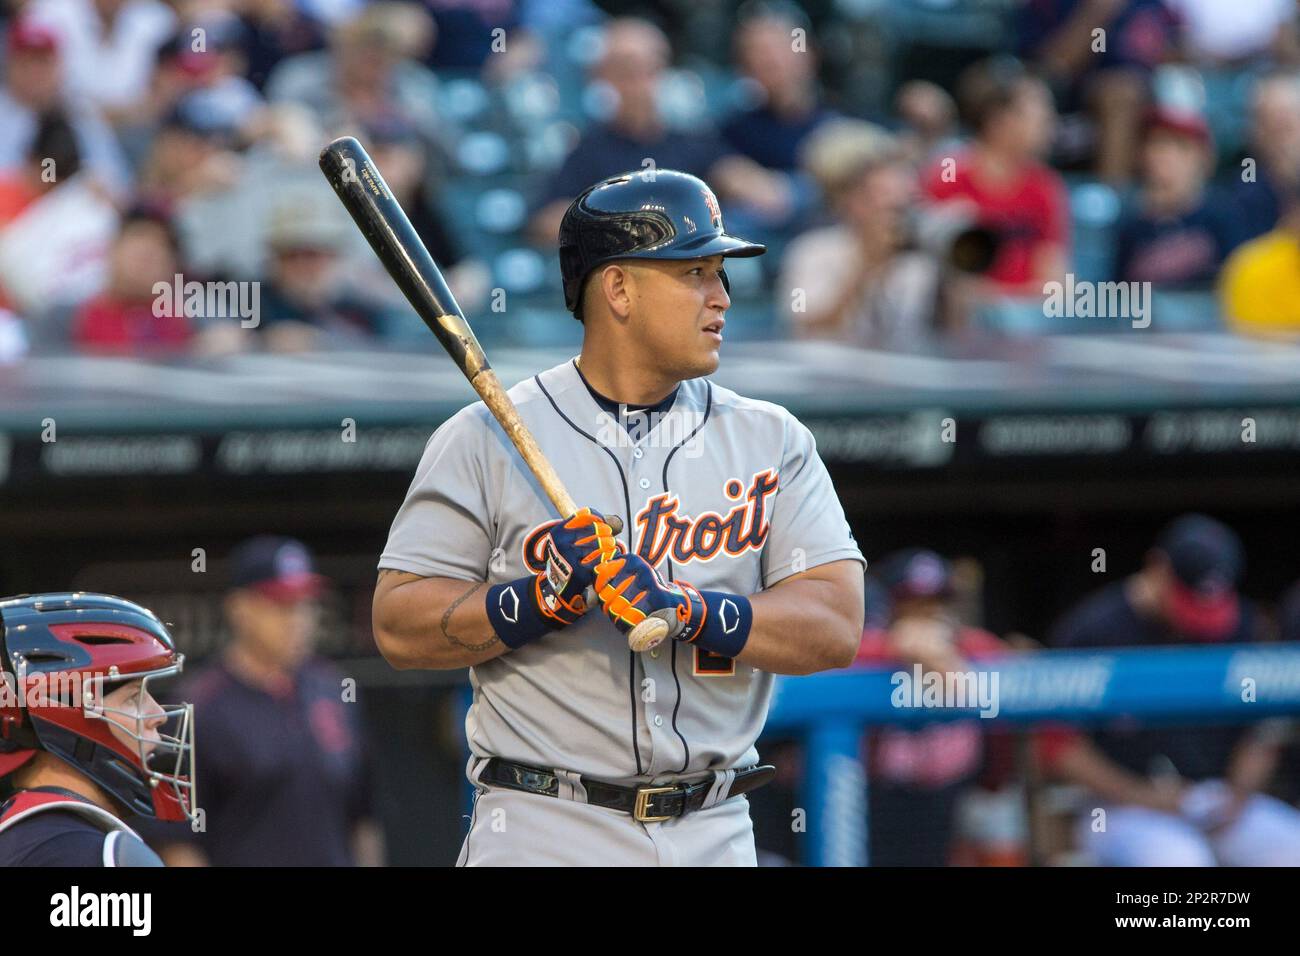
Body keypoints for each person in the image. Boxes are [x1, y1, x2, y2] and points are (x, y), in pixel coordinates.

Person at [374, 169, 865, 866]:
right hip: (546, 823)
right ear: (619, 289)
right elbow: (398, 625)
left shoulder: (772, 438)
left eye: (720, 273)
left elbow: (836, 627)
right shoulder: (485, 436)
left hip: (715, 824)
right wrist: (535, 601)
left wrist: (690, 609)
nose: (721, 297)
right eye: (695, 272)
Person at [1039, 514, 1300, 865]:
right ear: (1158, 568)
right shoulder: (1093, 630)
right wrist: (1140, 795)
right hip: (1121, 806)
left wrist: (1238, 794)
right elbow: (1058, 746)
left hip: (1214, 797)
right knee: (1180, 860)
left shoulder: (1243, 624)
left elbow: (1262, 729)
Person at [142, 536, 380, 866]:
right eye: (281, 605)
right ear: (240, 609)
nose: (298, 618)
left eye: (305, 604)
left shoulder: (334, 689)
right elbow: (177, 843)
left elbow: (362, 818)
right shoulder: (200, 705)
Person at [528, 18, 791, 245]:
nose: (640, 83)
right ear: (603, 78)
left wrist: (740, 185)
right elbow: (547, 222)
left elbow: (767, 195)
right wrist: (625, 224)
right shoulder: (589, 149)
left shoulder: (692, 142)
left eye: (651, 68)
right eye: (627, 71)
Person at [0, 593, 196, 867]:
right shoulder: (91, 854)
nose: (159, 714)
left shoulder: (21, 835)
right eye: (132, 697)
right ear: (64, 714)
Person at [854, 549, 1009, 866]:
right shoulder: (865, 650)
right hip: (877, 808)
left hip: (953, 804)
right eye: (913, 602)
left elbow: (1001, 679)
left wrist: (937, 657)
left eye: (937, 601)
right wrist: (904, 646)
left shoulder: (977, 649)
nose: (927, 612)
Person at [779, 120, 953, 350]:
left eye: (905, 203)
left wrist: (958, 273)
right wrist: (865, 268)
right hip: (828, 371)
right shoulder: (809, 253)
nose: (897, 211)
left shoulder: (919, 263)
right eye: (887, 201)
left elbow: (949, 337)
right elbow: (804, 327)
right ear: (854, 202)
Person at [921, 58, 1069, 297]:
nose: (1050, 124)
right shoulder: (949, 175)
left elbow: (1054, 273)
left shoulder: (1044, 185)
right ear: (998, 119)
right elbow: (942, 278)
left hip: (1025, 320)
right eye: (1040, 115)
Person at [1112, 107, 1239, 287]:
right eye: (1156, 146)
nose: (1163, 157)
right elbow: (1116, 297)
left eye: (1179, 147)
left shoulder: (1225, 216)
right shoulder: (1131, 226)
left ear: (1203, 158)